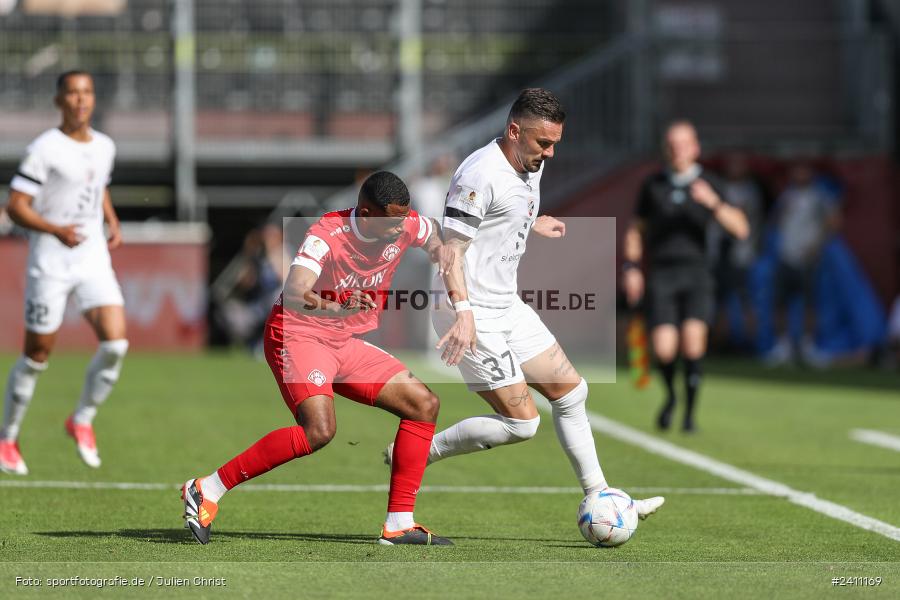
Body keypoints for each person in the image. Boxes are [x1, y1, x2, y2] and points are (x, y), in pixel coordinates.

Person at [385, 88, 665, 521]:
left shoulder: (528, 161)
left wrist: (532, 222)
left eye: (555, 143)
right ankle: (418, 452)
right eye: (543, 143)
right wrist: (463, 316)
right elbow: (450, 251)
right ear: (514, 131)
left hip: (506, 304)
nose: (550, 153)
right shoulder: (478, 175)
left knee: (572, 392)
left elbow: (505, 209)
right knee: (523, 424)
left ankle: (601, 496)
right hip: (469, 310)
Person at [182, 171, 454, 546]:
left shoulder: (404, 222)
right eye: (391, 221)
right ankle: (207, 488)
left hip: (342, 340)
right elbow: (294, 292)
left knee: (424, 404)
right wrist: (338, 306)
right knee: (319, 430)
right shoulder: (327, 234)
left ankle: (399, 523)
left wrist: (444, 253)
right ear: (365, 212)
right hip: (296, 334)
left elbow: (433, 234)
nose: (399, 229)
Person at [1, 71, 128, 474]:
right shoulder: (44, 148)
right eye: (72, 93)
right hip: (51, 262)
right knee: (37, 355)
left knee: (116, 344)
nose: (80, 100)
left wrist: (111, 219)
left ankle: (82, 419)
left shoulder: (105, 145)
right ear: (59, 101)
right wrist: (55, 229)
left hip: (91, 257)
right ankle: (8, 437)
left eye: (87, 92)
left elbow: (98, 185)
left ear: (93, 99)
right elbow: (15, 205)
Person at [623, 121, 749, 432]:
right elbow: (635, 230)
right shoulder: (653, 185)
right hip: (662, 274)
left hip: (698, 274)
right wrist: (631, 268)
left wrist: (714, 203)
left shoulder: (710, 184)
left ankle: (690, 416)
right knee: (664, 349)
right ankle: (670, 397)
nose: (678, 150)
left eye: (684, 144)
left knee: (693, 346)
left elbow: (741, 228)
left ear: (695, 148)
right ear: (665, 148)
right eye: (672, 143)